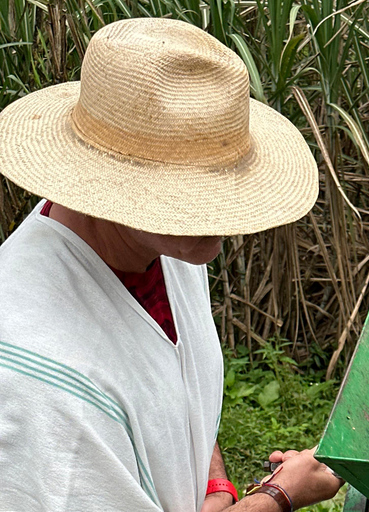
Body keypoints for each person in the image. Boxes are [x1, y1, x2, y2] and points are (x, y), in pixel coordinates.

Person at [0, 17, 342, 512]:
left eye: (221, 183)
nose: (221, 215)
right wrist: (277, 495)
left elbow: (173, 386)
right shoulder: (43, 380)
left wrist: (215, 489)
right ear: (102, 182)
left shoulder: (156, 238)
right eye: (188, 191)